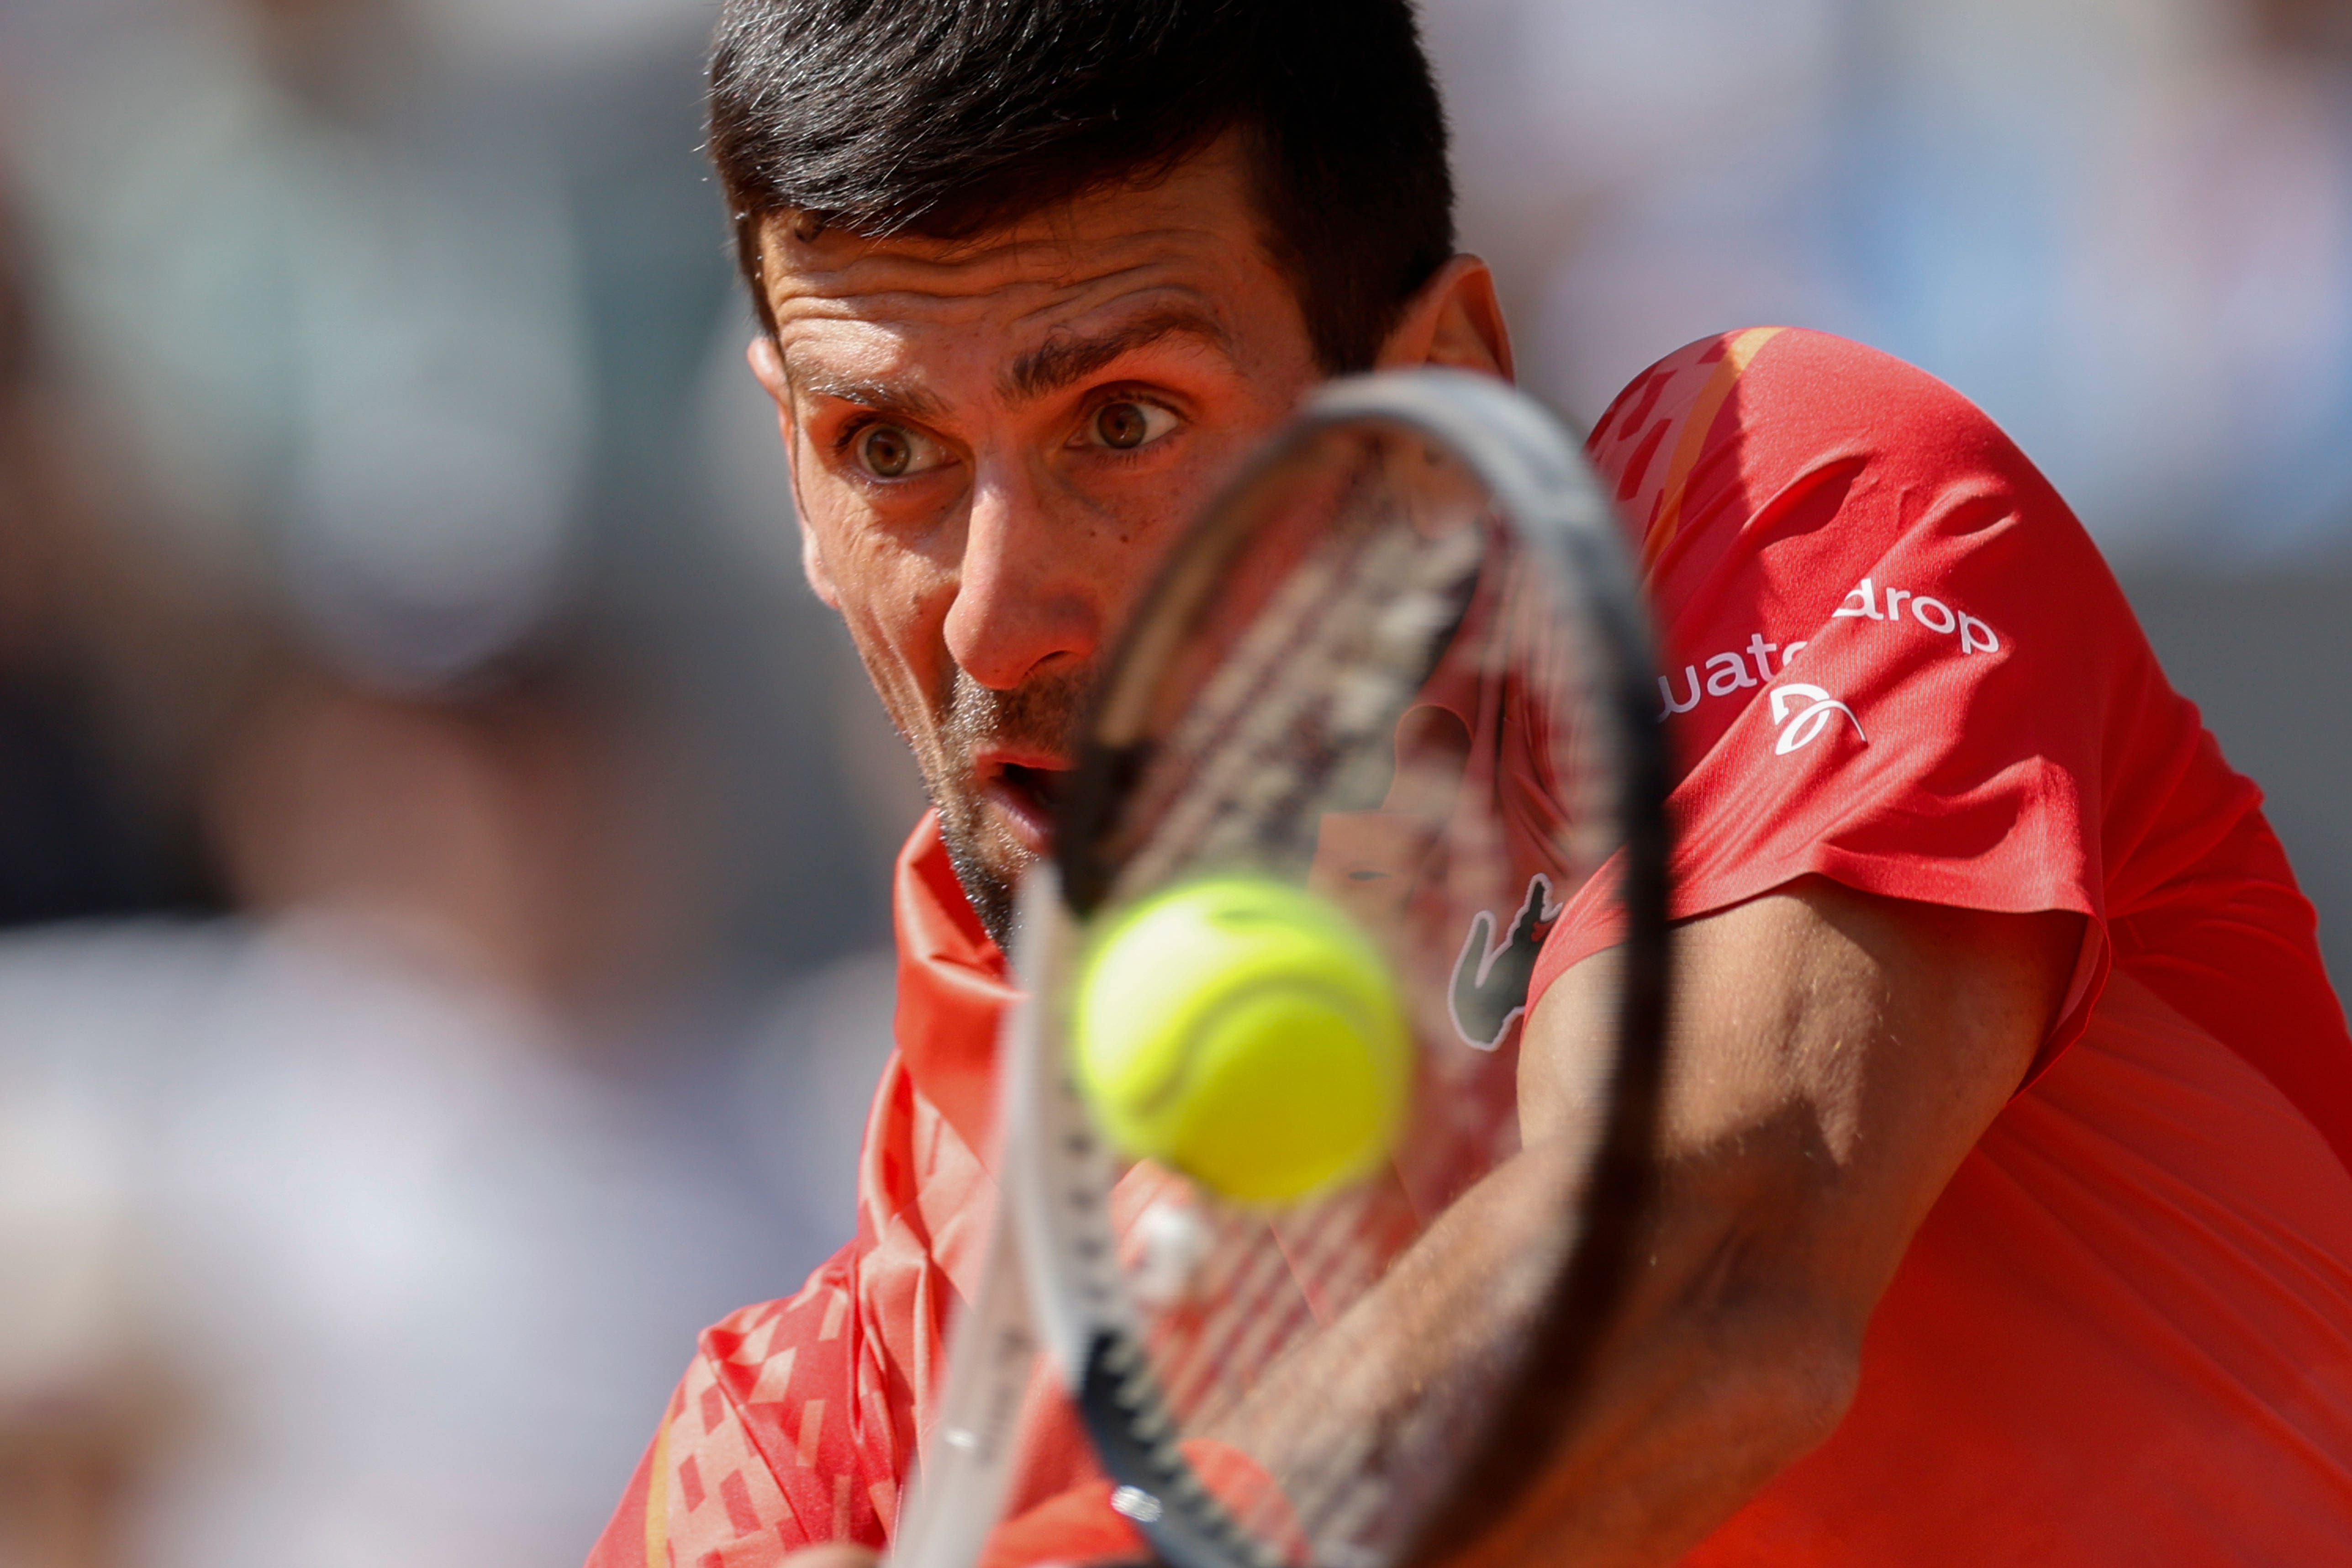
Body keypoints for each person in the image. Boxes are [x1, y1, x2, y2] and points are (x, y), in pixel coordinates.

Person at [590, 1, 2352, 1563]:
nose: (994, 613)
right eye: (883, 449)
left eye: (1124, 420)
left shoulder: (1780, 505)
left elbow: (1709, 1269)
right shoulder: (828, 1416)